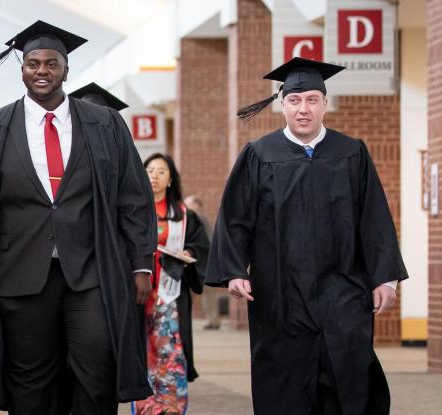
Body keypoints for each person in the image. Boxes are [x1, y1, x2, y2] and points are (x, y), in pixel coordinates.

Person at [0, 20, 156, 415]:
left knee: (97, 365)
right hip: (17, 272)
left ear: (66, 69)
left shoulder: (105, 124)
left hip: (92, 267)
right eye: (32, 64)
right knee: (30, 376)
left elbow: (133, 198)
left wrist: (141, 264)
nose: (41, 71)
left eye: (51, 63)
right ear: (22, 69)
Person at [209, 57, 406, 414]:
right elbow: (236, 217)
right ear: (281, 105)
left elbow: (374, 218)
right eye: (296, 101)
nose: (304, 109)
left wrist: (386, 279)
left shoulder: (351, 152)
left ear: (325, 104)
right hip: (281, 294)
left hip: (343, 289)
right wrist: (235, 270)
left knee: (348, 374)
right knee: (285, 383)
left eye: (313, 100)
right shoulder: (259, 155)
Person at [132, 154, 209, 415]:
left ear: (170, 179)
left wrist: (189, 253)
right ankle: (146, 407)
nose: (154, 175)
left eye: (161, 171)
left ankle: (171, 408)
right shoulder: (132, 211)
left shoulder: (184, 215)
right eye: (149, 170)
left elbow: (202, 247)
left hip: (170, 295)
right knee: (143, 351)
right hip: (138, 294)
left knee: (171, 350)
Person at [183, 194, 225, 330]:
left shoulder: (200, 219)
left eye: (189, 204)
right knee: (191, 294)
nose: (186, 206)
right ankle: (207, 320)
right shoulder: (189, 218)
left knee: (208, 293)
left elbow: (209, 240)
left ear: (196, 205)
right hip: (192, 262)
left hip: (203, 263)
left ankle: (213, 320)